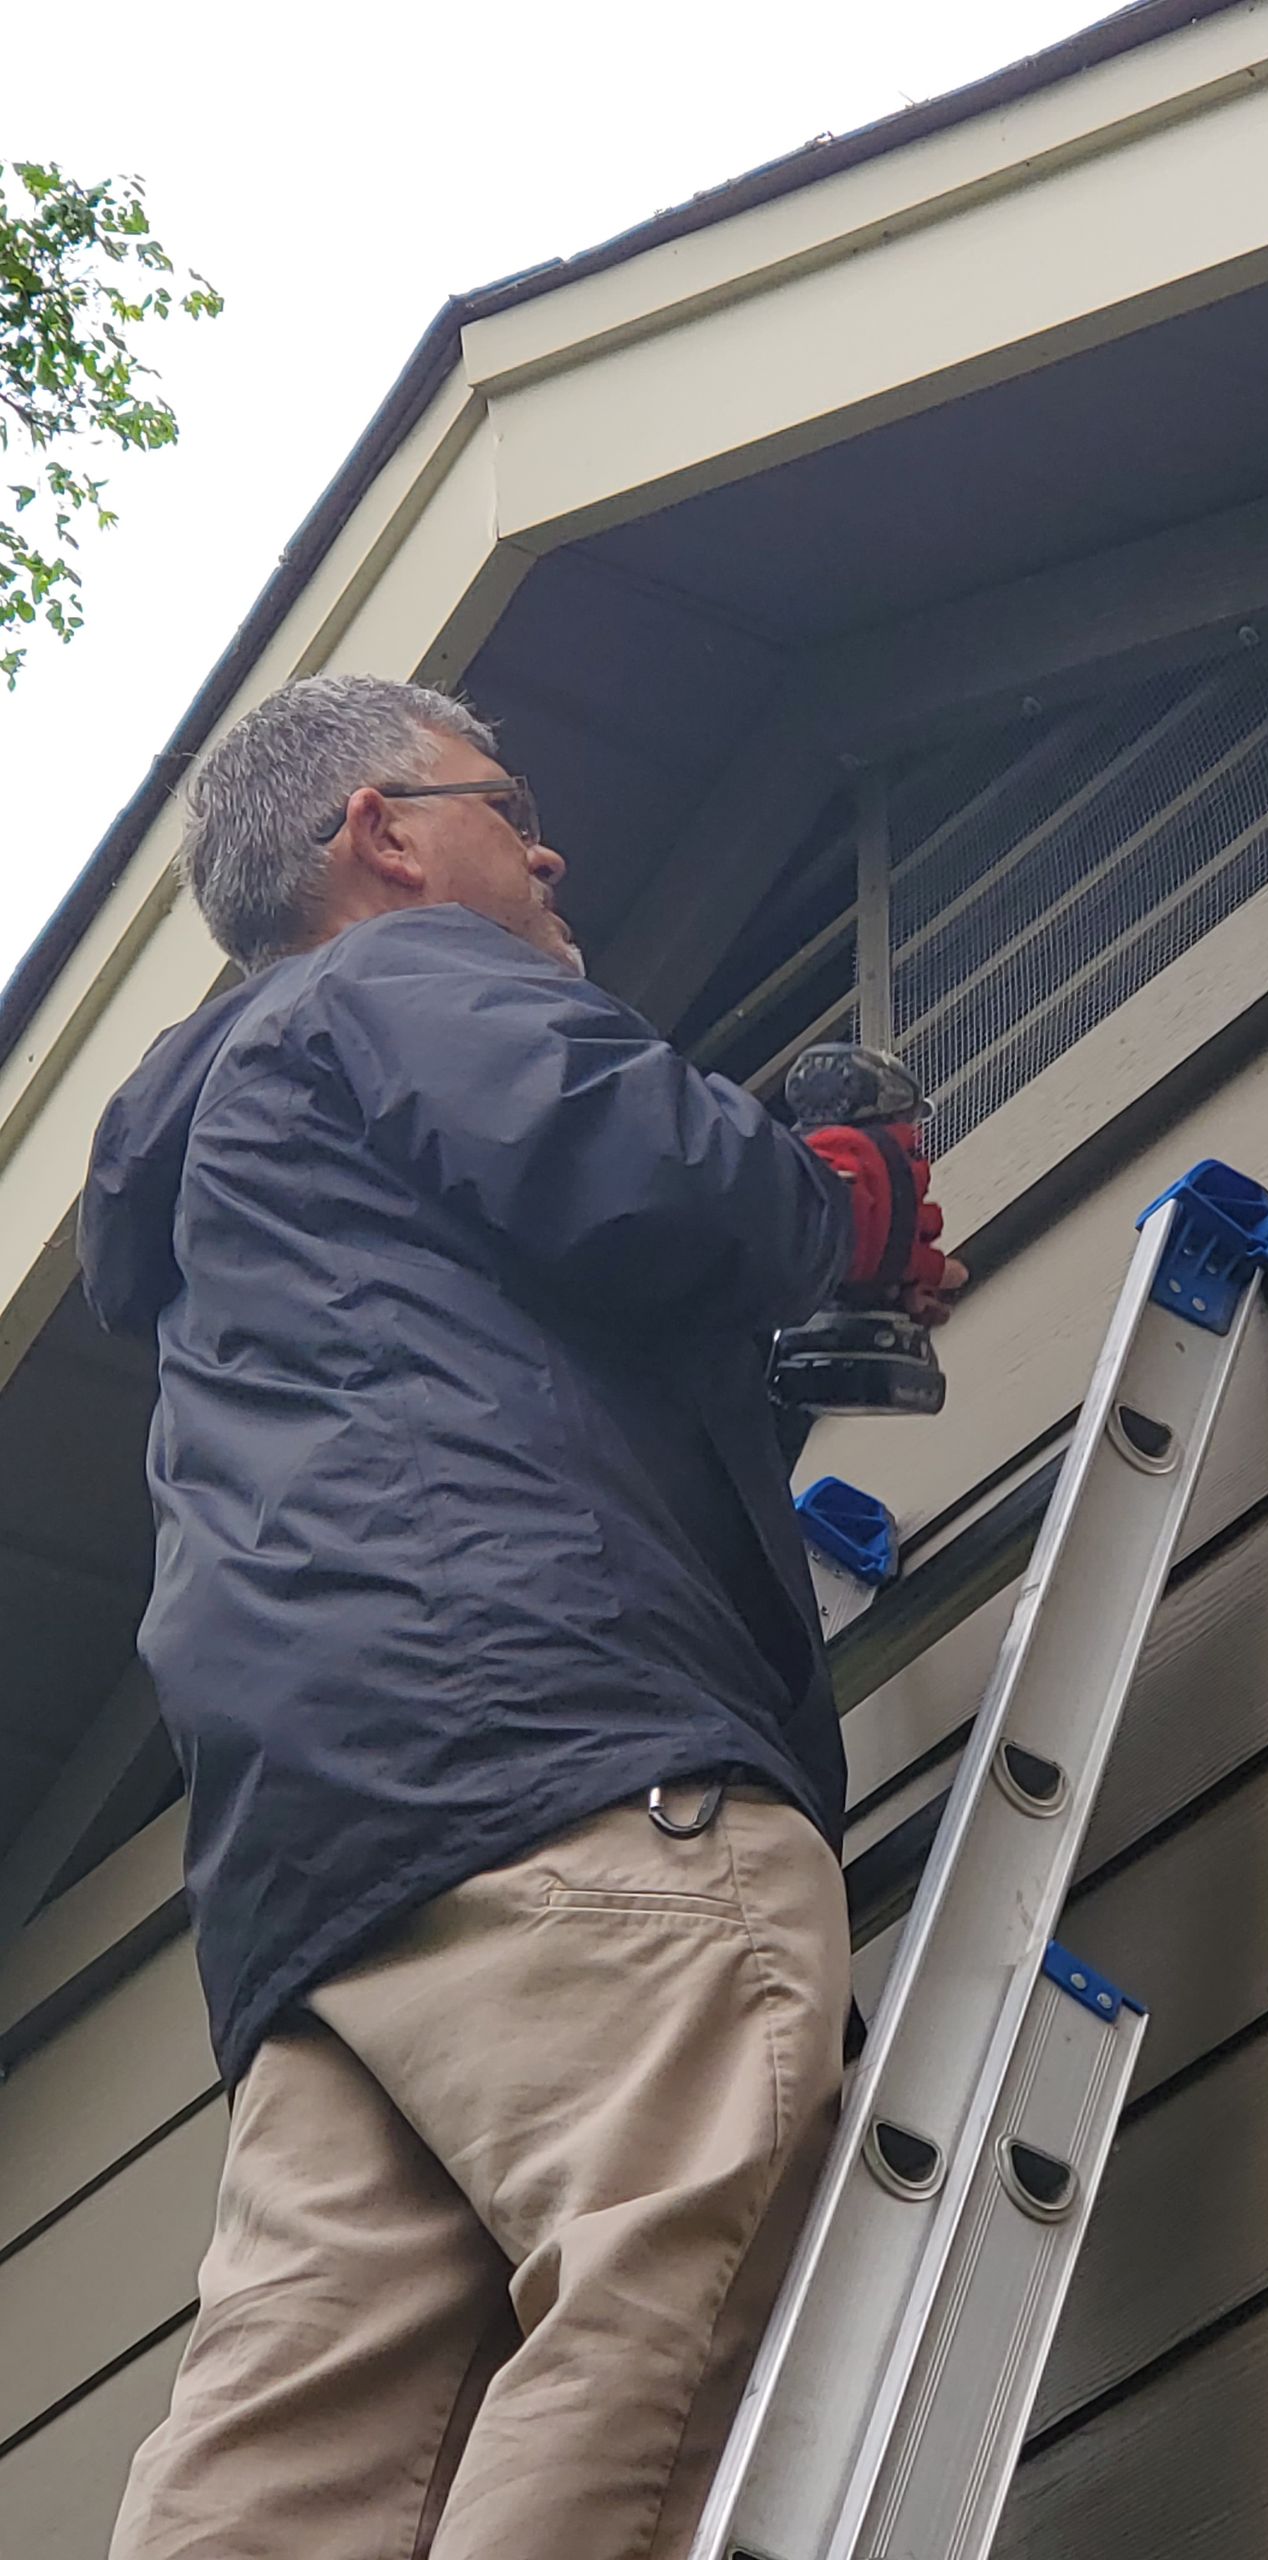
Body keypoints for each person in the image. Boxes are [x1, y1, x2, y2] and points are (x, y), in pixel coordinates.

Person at [79, 673, 962, 2560]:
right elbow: (651, 1174)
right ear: (380, 836)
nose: (549, 846)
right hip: (559, 1765)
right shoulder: (401, 978)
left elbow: (517, 1373)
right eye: (505, 799)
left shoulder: (248, 1182)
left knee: (297, 2437)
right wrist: (831, 1205)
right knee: (668, 2265)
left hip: (328, 1882)